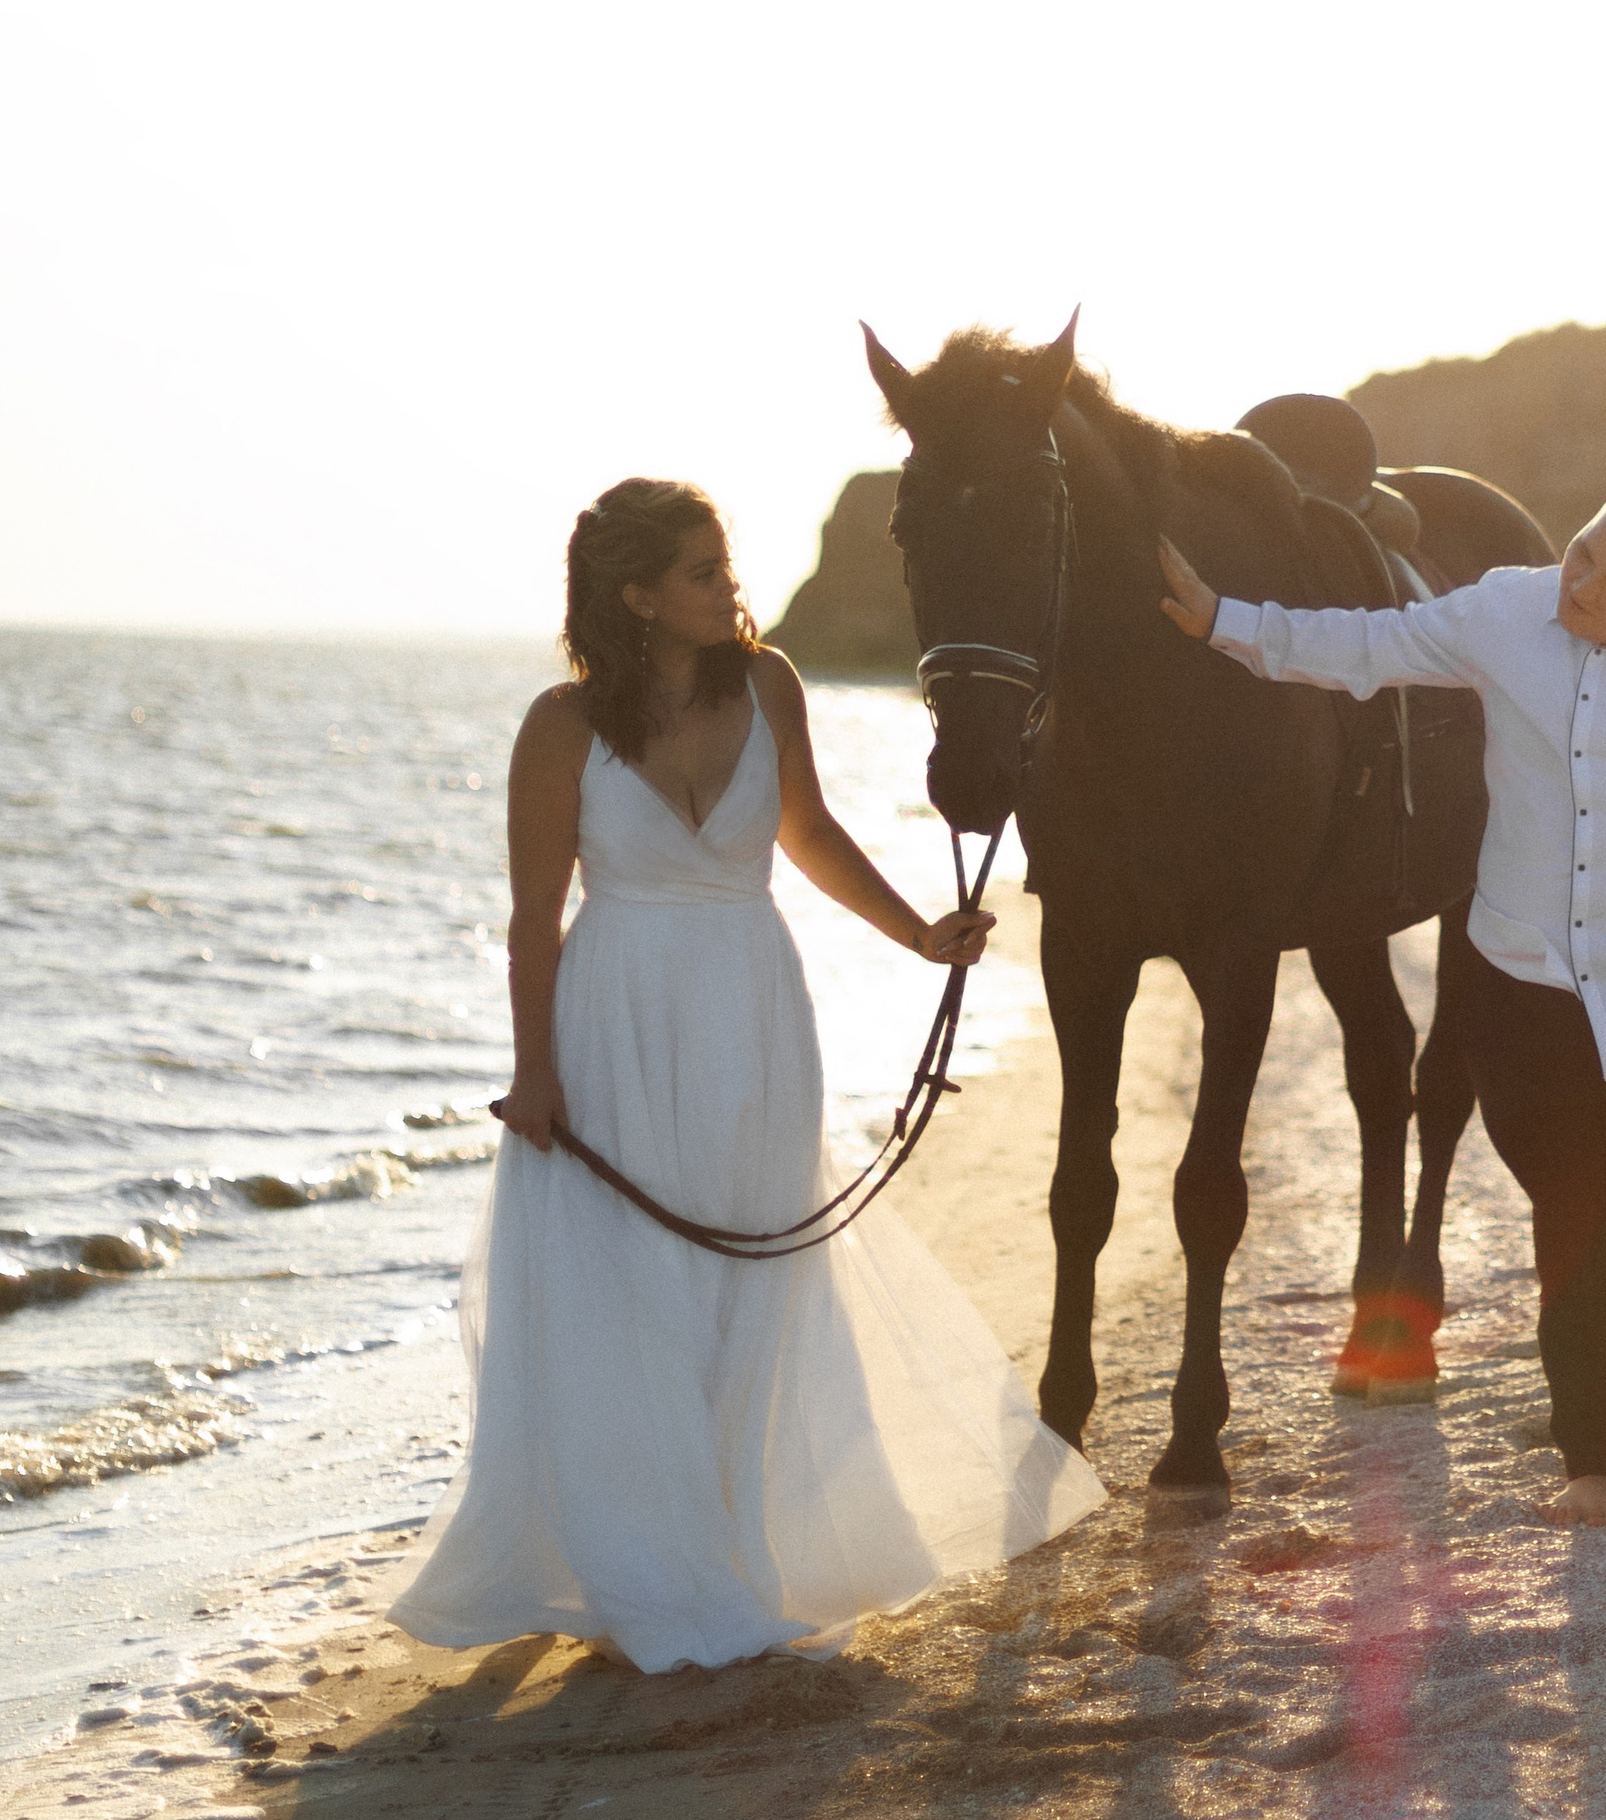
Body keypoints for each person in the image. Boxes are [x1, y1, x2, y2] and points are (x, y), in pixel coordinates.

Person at [391, 478, 1101, 1671]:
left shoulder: (769, 684)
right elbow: (530, 920)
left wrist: (917, 933)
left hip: (755, 1009)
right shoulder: (558, 726)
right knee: (628, 1289)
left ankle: (728, 1546)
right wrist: (536, 1072)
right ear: (636, 595)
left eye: (725, 567)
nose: (731, 587)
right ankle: (646, 1565)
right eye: (703, 572)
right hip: (614, 1015)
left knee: (753, 1274)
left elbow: (809, 833)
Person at [1156, 470, 1606, 1528]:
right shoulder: (1504, 609)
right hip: (1528, 981)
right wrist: (1221, 620)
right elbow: (1365, 646)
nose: (1578, 588)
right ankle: (1599, 1457)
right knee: (1571, 1228)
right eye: (1580, 552)